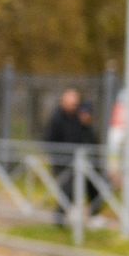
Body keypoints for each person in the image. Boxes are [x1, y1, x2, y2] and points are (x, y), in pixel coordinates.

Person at [44, 88, 96, 226]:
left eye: (76, 104)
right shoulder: (56, 119)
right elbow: (49, 141)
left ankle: (90, 215)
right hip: (63, 164)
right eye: (72, 104)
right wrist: (58, 158)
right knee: (68, 191)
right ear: (64, 103)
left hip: (81, 163)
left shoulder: (80, 120)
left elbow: (90, 140)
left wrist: (86, 125)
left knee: (96, 186)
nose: (74, 107)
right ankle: (59, 219)